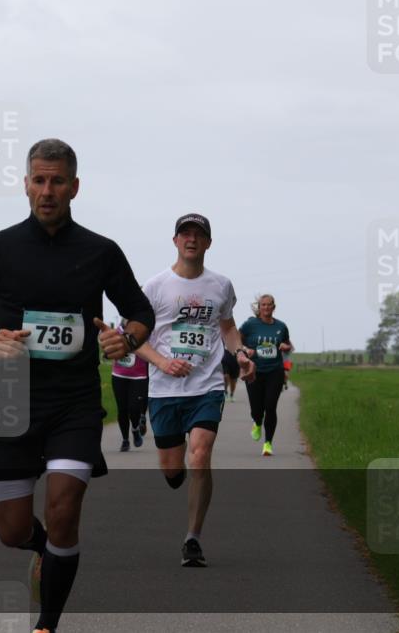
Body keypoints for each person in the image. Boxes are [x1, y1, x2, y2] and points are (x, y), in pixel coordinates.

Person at [0, 139, 154, 633]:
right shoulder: (0, 247)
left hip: (74, 403)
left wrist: (126, 339)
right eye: (39, 180)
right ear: (26, 185)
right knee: (11, 530)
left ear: (74, 187)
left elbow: (140, 312)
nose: (48, 191)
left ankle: (46, 624)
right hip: (11, 401)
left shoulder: (100, 251)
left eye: (57, 181)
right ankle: (42, 549)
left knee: (63, 510)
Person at [134, 214, 254, 568]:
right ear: (175, 241)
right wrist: (162, 362)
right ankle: (179, 472)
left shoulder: (221, 285)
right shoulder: (155, 287)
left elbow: (228, 327)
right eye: (185, 233)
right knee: (173, 471)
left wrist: (241, 353)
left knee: (200, 455)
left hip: (207, 386)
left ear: (208, 243)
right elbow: (135, 338)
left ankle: (193, 538)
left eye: (198, 235)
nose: (191, 239)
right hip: (164, 389)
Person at [239, 294, 292, 456]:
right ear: (259, 307)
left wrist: (285, 347)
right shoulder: (250, 325)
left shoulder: (281, 326)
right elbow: (237, 341)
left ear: (274, 307)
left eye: (269, 305)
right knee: (256, 409)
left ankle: (268, 443)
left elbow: (288, 346)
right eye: (263, 305)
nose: (266, 307)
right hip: (254, 371)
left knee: (270, 406)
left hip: (274, 371)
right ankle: (257, 422)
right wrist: (246, 350)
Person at [111, 320, 149, 451]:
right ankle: (125, 440)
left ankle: (135, 429)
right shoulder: (118, 331)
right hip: (119, 375)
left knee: (134, 407)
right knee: (122, 409)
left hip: (138, 376)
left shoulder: (144, 331)